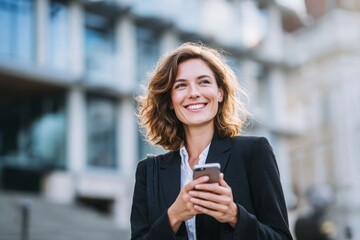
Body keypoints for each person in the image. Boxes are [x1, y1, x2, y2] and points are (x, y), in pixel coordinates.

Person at [130, 42, 293, 239]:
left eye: (204, 82)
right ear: (170, 101)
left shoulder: (253, 152)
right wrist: (174, 216)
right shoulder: (149, 172)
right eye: (181, 85)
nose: (194, 93)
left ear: (220, 92)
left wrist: (234, 215)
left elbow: (281, 237)